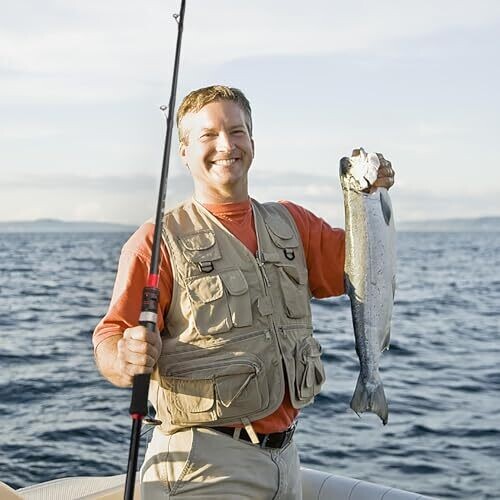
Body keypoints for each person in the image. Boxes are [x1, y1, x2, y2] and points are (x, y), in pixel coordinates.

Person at [92, 85, 395, 499]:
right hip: (202, 468)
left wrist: (371, 198)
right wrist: (123, 356)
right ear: (184, 152)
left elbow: (368, 269)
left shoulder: (294, 224)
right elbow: (110, 336)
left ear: (252, 141)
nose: (226, 145)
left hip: (286, 461)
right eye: (208, 135)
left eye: (237, 132)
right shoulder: (156, 241)